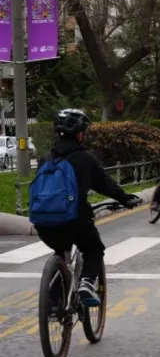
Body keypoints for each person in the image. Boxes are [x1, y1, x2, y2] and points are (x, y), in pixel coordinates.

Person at [29, 109, 141, 306]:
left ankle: (53, 303)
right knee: (94, 249)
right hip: (75, 221)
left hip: (43, 223)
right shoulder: (85, 159)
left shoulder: (45, 159)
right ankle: (87, 284)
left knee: (60, 251)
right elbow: (105, 184)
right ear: (79, 134)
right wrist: (125, 199)